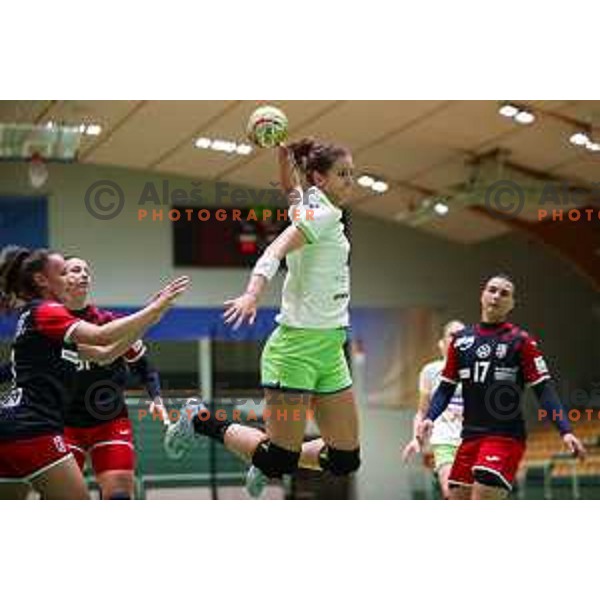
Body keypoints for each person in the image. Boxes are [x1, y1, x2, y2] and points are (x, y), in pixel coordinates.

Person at [165, 138, 360, 498]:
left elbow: (291, 191)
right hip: (295, 348)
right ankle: (199, 419)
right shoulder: (323, 214)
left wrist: (284, 160)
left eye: (353, 173)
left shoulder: (314, 205)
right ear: (319, 178)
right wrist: (253, 293)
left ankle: (264, 453)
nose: (352, 180)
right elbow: (274, 248)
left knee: (345, 459)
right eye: (343, 174)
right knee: (279, 462)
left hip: (331, 346)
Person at [0, 245, 188, 499]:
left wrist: (153, 316)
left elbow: (105, 354)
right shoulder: (47, 311)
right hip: (35, 427)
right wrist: (152, 309)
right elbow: (101, 337)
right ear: (42, 280)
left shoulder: (39, 319)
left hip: (11, 423)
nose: (73, 277)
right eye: (63, 271)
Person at [417, 274, 586, 500]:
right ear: (482, 295)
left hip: (504, 438)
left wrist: (565, 430)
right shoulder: (461, 341)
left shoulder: (521, 341)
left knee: (482, 499)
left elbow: (544, 390)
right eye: (492, 290)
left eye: (504, 293)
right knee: (455, 498)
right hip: (469, 438)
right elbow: (446, 388)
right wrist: (430, 417)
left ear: (511, 304)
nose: (496, 296)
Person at [61, 256, 167, 499]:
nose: (84, 274)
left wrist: (156, 397)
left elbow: (144, 367)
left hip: (109, 421)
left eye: (87, 270)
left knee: (119, 495)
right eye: (76, 270)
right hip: (62, 424)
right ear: (59, 280)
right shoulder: (46, 324)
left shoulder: (110, 322)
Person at [402, 320, 465, 499]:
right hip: (444, 440)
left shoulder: (475, 371)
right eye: (452, 335)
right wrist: (416, 439)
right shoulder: (431, 371)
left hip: (472, 440)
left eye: (462, 336)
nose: (457, 340)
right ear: (442, 343)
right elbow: (422, 411)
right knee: (451, 492)